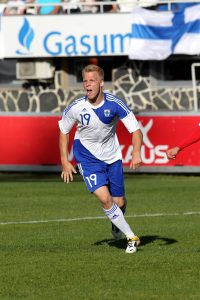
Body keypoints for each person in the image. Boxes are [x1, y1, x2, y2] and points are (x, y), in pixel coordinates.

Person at [58, 64, 143, 254]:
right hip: (86, 158)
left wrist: (136, 152)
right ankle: (131, 236)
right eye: (85, 81)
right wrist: (65, 161)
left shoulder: (115, 104)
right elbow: (63, 131)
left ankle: (117, 223)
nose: (88, 85)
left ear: (101, 83)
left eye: (92, 80)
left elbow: (135, 130)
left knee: (118, 202)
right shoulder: (76, 108)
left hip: (112, 157)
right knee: (105, 199)